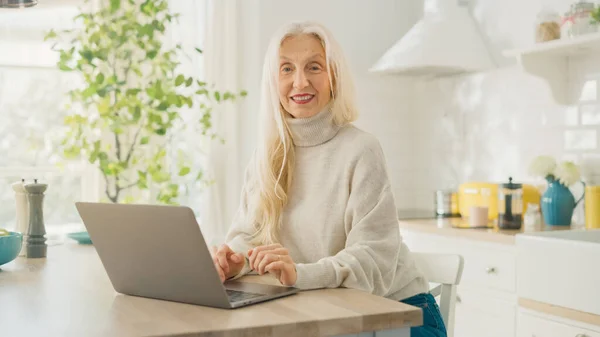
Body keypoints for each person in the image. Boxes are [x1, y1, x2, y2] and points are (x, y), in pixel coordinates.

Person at [210, 21, 446, 337]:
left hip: (400, 316)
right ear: (272, 81)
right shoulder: (266, 156)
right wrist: (237, 260)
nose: (300, 81)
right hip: (327, 315)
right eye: (286, 69)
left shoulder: (361, 150)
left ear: (334, 76)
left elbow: (371, 258)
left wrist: (300, 274)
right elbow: (250, 234)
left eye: (314, 67)